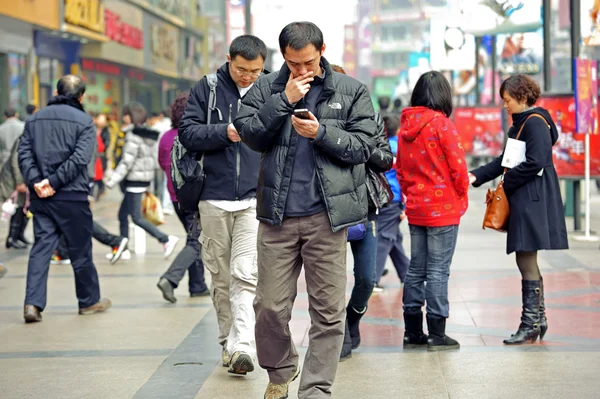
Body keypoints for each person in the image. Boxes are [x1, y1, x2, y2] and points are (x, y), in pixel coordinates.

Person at [234, 22, 376, 399]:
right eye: (294, 64)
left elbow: (365, 146)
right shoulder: (267, 87)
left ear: (322, 50)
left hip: (326, 219)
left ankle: (315, 389)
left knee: (328, 314)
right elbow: (248, 133)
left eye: (309, 62)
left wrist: (322, 134)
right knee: (268, 307)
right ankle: (280, 370)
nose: (302, 71)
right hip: (277, 217)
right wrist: (283, 100)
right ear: (283, 57)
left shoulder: (351, 91)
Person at [179, 34, 267, 376]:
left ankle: (242, 344)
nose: (247, 77)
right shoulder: (208, 87)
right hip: (212, 198)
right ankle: (227, 342)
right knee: (220, 276)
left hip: (251, 199)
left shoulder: (269, 88)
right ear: (229, 59)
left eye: (255, 71)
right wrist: (223, 132)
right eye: (242, 69)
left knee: (245, 273)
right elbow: (187, 132)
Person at [469, 74, 569, 345]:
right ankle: (538, 319)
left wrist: (507, 181)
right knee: (526, 257)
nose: (505, 105)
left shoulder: (534, 124)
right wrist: (476, 175)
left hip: (531, 199)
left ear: (523, 97)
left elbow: (535, 162)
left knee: (525, 258)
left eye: (508, 100)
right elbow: (506, 160)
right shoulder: (525, 123)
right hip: (529, 197)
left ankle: (530, 324)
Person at [18, 74, 112, 323]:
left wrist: (38, 181)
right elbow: (80, 159)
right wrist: (54, 182)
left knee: (41, 249)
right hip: (72, 196)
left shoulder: (34, 119)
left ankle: (32, 304)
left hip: (41, 197)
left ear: (57, 92)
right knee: (80, 251)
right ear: (80, 96)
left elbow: (24, 153)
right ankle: (89, 301)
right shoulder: (84, 121)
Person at [397, 71, 469, 351]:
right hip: (444, 207)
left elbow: (400, 169)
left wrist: (412, 193)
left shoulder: (405, 127)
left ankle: (412, 331)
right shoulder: (443, 124)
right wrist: (461, 194)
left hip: (417, 206)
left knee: (416, 268)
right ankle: (438, 333)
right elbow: (458, 168)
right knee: (439, 270)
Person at [329, 65, 393, 362]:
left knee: (367, 277)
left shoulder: (368, 117)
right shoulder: (315, 119)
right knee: (332, 280)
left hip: (362, 206)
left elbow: (386, 159)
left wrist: (357, 146)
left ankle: (352, 319)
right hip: (326, 210)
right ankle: (338, 332)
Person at [104, 102, 179, 258]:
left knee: (136, 217)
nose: (123, 117)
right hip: (143, 180)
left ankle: (165, 239)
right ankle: (123, 248)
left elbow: (126, 162)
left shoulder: (133, 136)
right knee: (122, 215)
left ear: (129, 116)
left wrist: (112, 181)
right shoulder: (148, 133)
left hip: (134, 182)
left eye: (125, 114)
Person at [157, 92, 208, 303]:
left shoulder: (166, 137)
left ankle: (197, 285)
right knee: (196, 241)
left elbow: (162, 164)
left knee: (193, 237)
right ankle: (170, 278)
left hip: (175, 197)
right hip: (193, 198)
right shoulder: (194, 135)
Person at [374, 113, 410, 292]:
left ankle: (407, 275)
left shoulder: (378, 145)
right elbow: (405, 176)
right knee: (386, 237)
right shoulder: (401, 148)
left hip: (380, 197)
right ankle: (373, 278)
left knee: (394, 238)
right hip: (394, 198)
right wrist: (406, 205)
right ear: (398, 129)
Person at [0, 107, 29, 249]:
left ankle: (17, 236)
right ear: (16, 114)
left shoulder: (1, 129)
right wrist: (20, 181)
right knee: (18, 205)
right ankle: (13, 237)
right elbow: (16, 159)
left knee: (18, 205)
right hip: (15, 171)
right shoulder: (23, 128)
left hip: (5, 165)